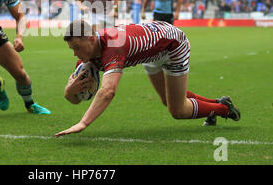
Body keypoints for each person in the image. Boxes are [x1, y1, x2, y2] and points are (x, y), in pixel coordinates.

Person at [55, 20, 240, 137]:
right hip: (152, 50)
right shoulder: (86, 56)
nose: (75, 54)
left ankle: (223, 109)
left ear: (91, 39)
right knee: (168, 99)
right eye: (72, 49)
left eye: (77, 48)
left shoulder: (113, 46)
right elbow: (76, 99)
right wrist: (68, 91)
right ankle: (218, 103)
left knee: (177, 110)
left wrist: (83, 123)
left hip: (173, 46)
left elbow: (108, 91)